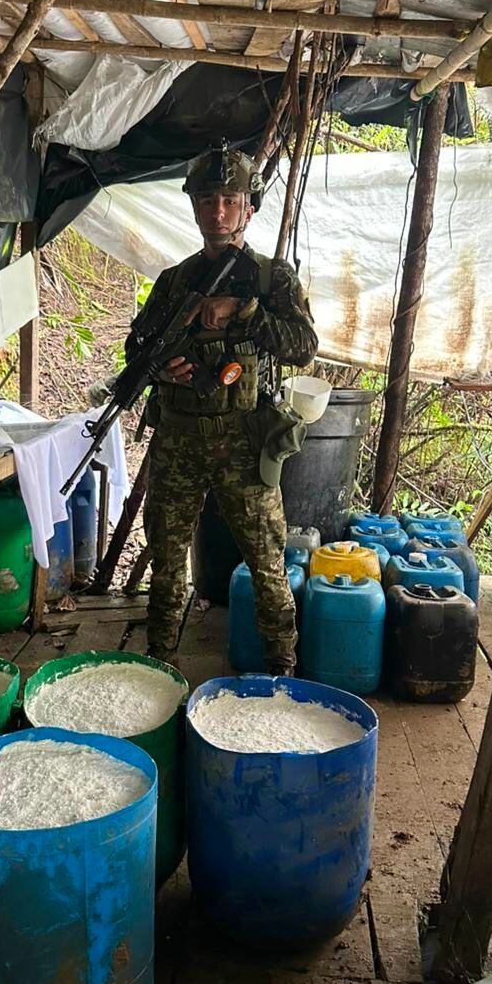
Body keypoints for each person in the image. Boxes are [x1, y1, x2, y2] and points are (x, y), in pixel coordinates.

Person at [124, 143, 318, 673]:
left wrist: (245, 312)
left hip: (244, 441)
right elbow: (138, 348)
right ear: (194, 208)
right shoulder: (175, 280)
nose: (218, 212)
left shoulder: (270, 278)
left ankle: (282, 667)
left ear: (248, 208)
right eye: (208, 200)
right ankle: (159, 664)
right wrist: (162, 371)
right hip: (179, 438)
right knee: (167, 561)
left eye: (230, 200)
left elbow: (303, 347)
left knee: (267, 561)